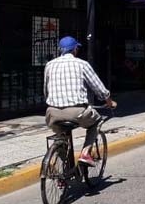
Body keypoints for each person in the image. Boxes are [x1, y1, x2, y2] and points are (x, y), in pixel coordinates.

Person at [44, 36, 116, 167]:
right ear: (75, 49)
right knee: (97, 121)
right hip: (77, 111)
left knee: (61, 137)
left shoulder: (49, 65)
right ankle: (85, 153)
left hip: (52, 112)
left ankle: (62, 168)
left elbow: (46, 90)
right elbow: (98, 87)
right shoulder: (82, 64)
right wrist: (109, 101)